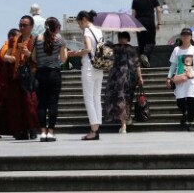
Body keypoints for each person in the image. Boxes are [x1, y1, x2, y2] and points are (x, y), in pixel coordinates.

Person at [70, 10, 104, 140]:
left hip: (89, 67)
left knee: (89, 98)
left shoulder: (87, 31)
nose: (80, 26)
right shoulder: (99, 30)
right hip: (99, 67)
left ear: (84, 19)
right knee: (96, 97)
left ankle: (93, 131)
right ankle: (97, 128)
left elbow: (88, 49)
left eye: (79, 23)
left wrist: (77, 53)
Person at [33, 16, 67, 142]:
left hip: (40, 73)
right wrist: (56, 59)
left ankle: (42, 132)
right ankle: (51, 132)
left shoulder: (38, 39)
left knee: (41, 104)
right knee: (53, 103)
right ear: (57, 28)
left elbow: (34, 58)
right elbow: (63, 59)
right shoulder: (60, 40)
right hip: (54, 73)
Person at [103, 31, 143, 135]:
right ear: (128, 38)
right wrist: (140, 77)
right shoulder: (132, 49)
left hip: (116, 77)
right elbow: (137, 64)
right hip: (130, 77)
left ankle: (123, 122)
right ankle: (124, 122)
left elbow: (107, 62)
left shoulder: (113, 48)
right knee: (127, 99)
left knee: (119, 99)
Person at [166, 28, 194, 132]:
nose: (185, 37)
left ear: (190, 37)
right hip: (180, 79)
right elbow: (173, 65)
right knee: (180, 101)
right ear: (181, 37)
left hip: (192, 79)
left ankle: (190, 123)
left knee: (191, 100)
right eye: (183, 35)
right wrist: (169, 77)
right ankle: (184, 113)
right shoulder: (176, 50)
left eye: (188, 35)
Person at [131, 0, 161, 67]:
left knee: (141, 43)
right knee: (151, 42)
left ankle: (143, 62)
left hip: (139, 23)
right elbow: (159, 10)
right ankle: (146, 55)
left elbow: (133, 14)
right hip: (150, 22)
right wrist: (159, 23)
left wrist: (133, 26)